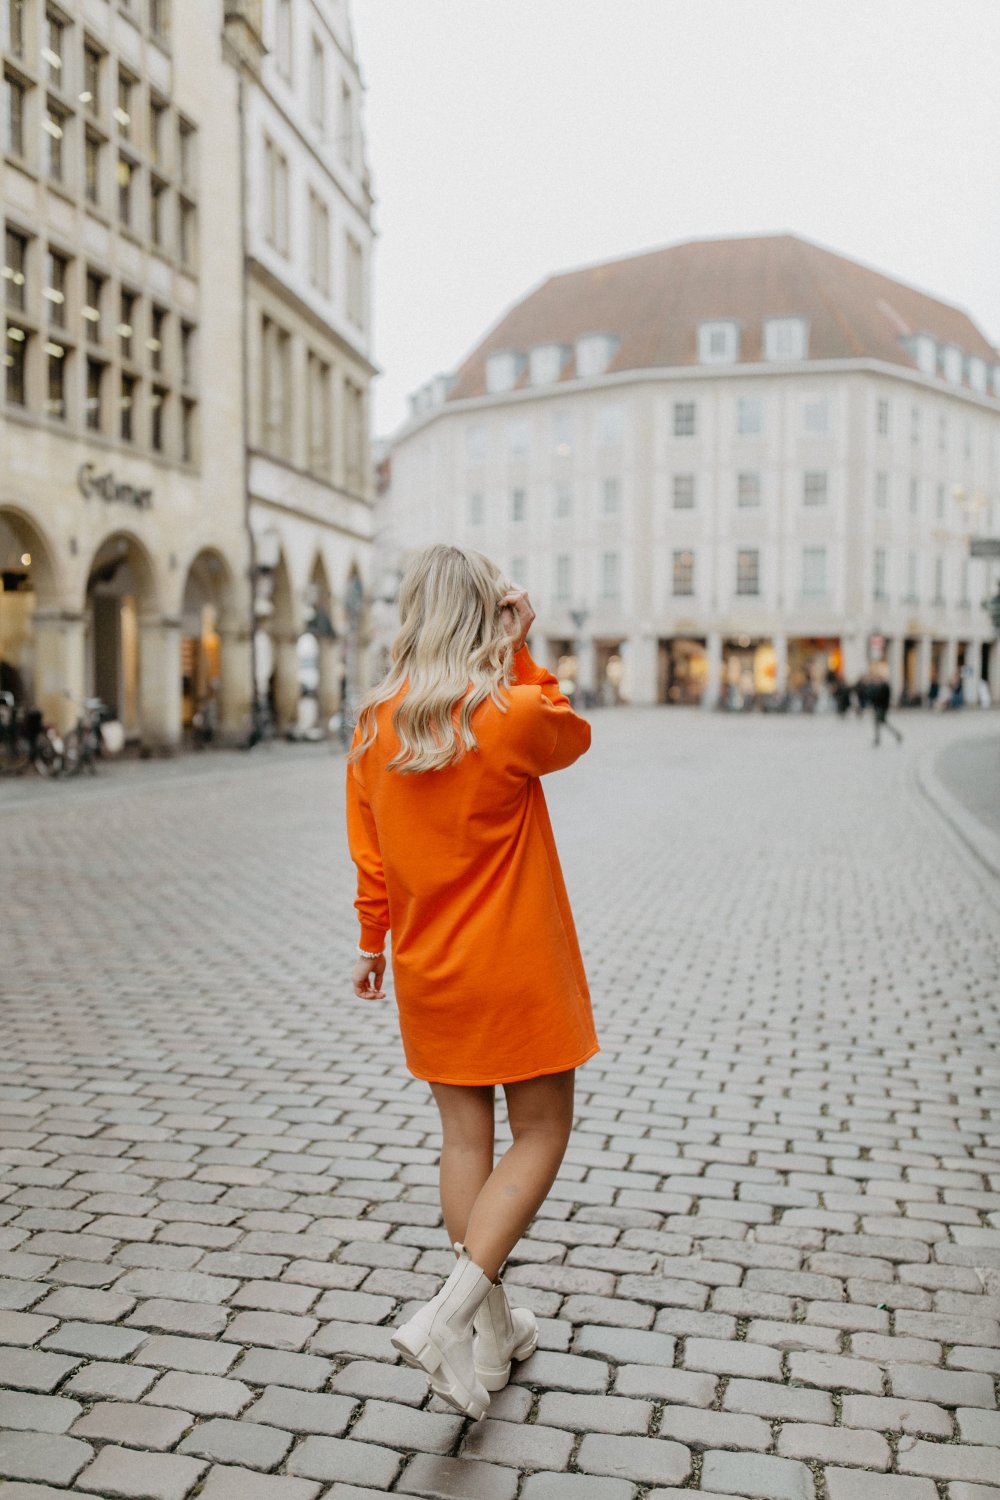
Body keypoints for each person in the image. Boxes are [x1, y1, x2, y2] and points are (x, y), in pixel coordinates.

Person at [346, 544, 599, 1421]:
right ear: (487, 614)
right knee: (540, 1133)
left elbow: (370, 857)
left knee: (464, 1141)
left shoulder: (376, 723)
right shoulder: (510, 711)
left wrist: (372, 944)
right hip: (519, 965)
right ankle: (449, 1317)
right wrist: (525, 645)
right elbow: (572, 731)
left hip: (429, 966)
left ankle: (494, 1331)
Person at [870, 665, 902, 747]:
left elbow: (883, 698)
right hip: (878, 708)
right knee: (881, 723)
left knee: (879, 723)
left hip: (882, 708)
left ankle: (879, 739)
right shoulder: (877, 687)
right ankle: (896, 735)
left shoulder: (885, 687)